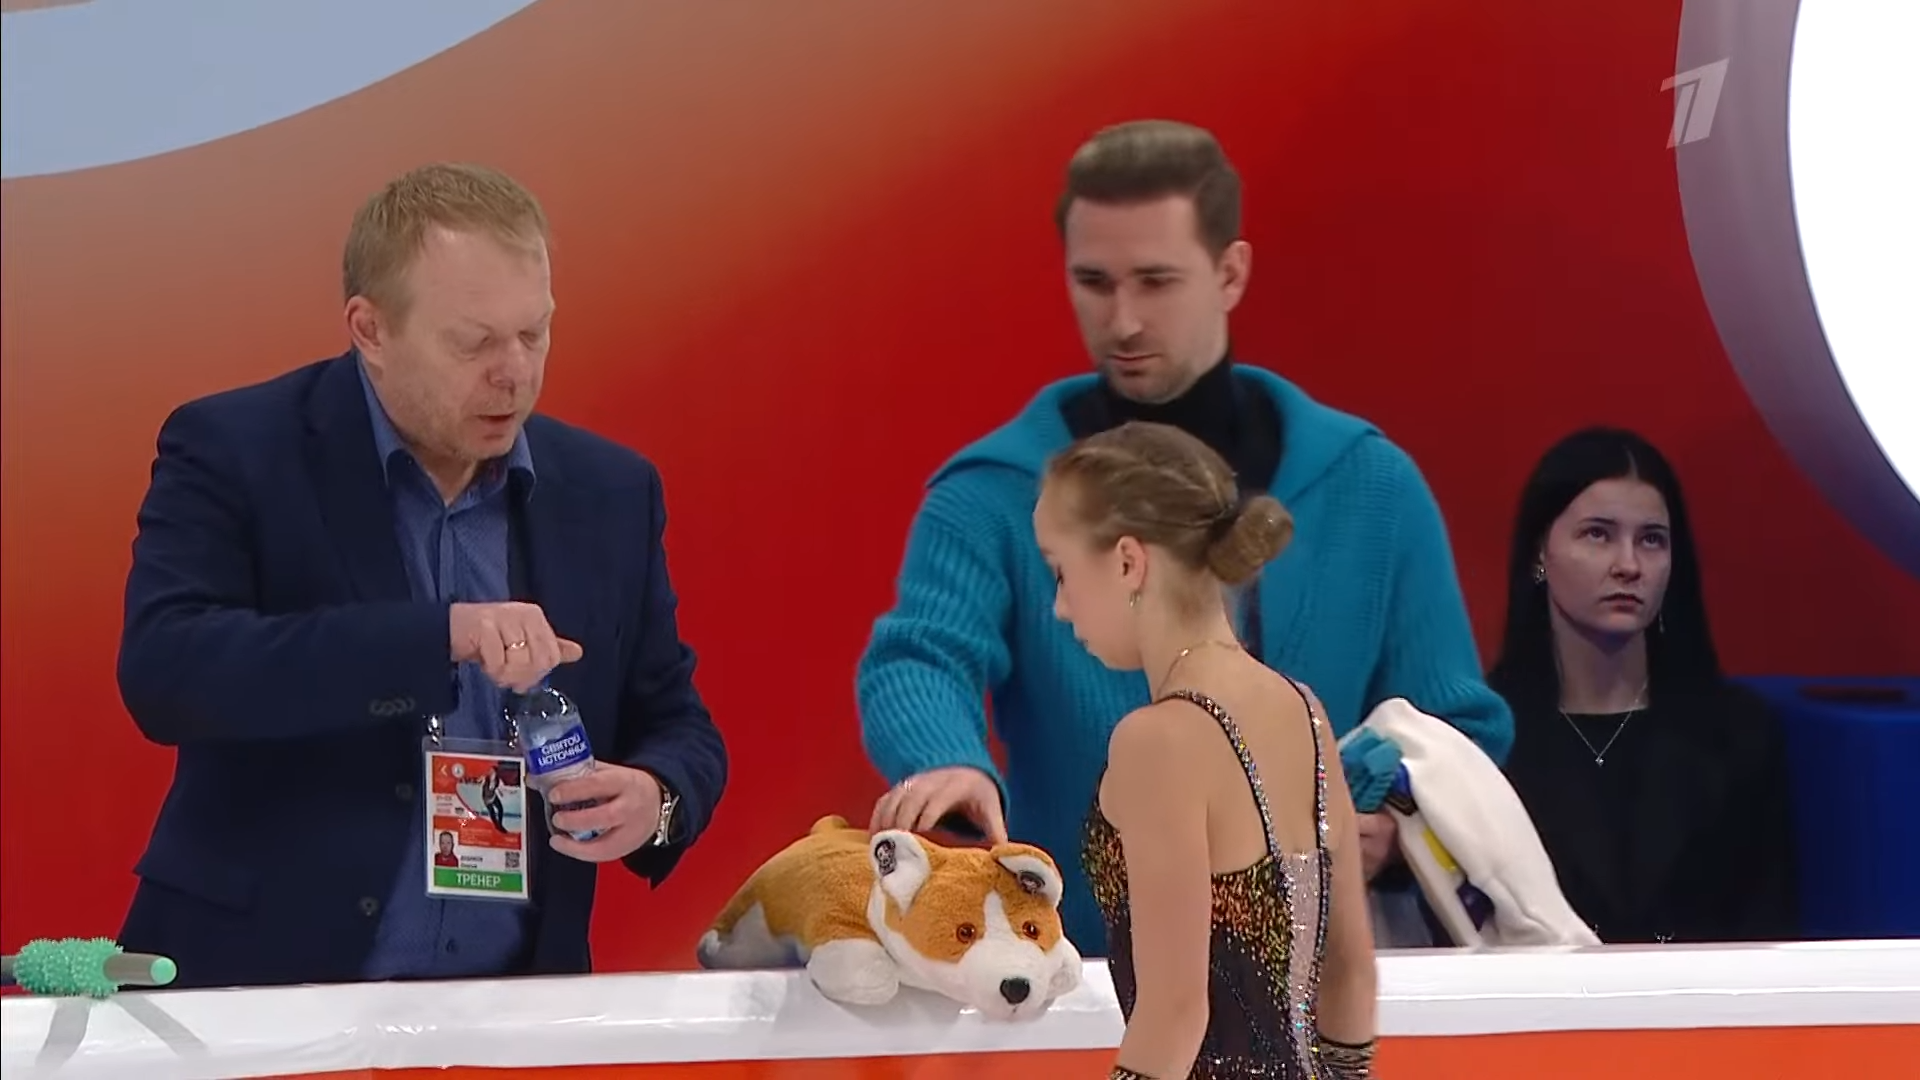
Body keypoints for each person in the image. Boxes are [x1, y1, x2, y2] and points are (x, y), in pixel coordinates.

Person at [861, 118, 1510, 952]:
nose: (1123, 321)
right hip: (1081, 978)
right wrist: (946, 760)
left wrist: (1392, 826)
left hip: (1317, 973)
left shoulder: (1369, 485)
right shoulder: (992, 493)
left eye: (1156, 281)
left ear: (1230, 272)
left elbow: (1454, 725)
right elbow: (921, 656)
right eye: (1094, 282)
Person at [115, 162, 729, 988]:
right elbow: (169, 671)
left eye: (535, 333)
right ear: (370, 330)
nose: (514, 373)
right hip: (257, 996)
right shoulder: (237, 450)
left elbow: (678, 721)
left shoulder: (610, 492)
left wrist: (656, 797)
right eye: (474, 343)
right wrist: (435, 637)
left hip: (507, 1011)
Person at [1037, 421, 1377, 1079]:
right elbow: (1352, 977)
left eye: (1061, 571)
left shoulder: (1157, 740)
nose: (1060, 607)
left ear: (1128, 561)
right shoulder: (1304, 712)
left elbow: (1175, 1011)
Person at [1488, 427, 1798, 944]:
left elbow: (1771, 936)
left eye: (1651, 539)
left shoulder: (1740, 733)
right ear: (1540, 552)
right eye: (1597, 535)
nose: (1628, 566)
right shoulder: (1487, 740)